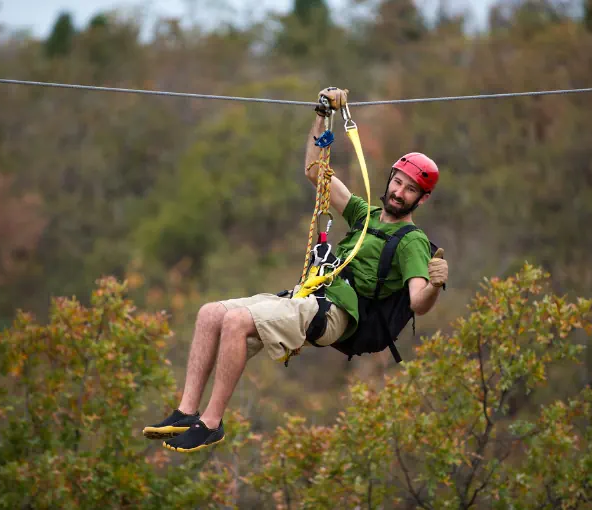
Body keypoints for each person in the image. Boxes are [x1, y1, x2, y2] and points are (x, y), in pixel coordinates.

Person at [142, 87, 449, 453]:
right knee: (211, 314)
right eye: (398, 182)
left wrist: (434, 284)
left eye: (410, 189)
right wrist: (321, 114)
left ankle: (210, 423)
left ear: (422, 198)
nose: (399, 192)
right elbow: (315, 171)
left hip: (338, 313)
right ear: (390, 178)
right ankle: (185, 412)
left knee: (237, 321)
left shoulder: (411, 240)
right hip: (311, 296)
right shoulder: (364, 215)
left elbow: (418, 301)